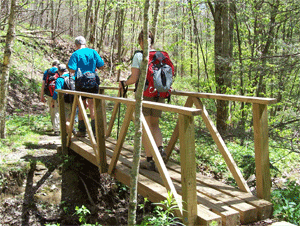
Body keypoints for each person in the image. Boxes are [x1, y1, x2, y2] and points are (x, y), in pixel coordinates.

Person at [119, 30, 169, 171]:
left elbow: (134, 79)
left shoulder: (139, 56)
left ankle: (149, 160)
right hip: (160, 94)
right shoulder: (161, 55)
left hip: (146, 94)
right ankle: (160, 149)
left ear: (141, 41)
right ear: (152, 40)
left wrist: (124, 83)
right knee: (155, 125)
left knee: (146, 128)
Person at [68, 36, 104, 137]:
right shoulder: (93, 52)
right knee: (92, 105)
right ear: (85, 43)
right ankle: (95, 132)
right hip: (93, 82)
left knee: (82, 105)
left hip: (81, 82)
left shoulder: (75, 54)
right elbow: (101, 65)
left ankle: (82, 131)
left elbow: (72, 69)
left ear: (76, 45)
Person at [52, 64, 76, 136]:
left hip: (64, 101)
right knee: (71, 118)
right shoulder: (74, 78)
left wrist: (53, 100)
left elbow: (57, 91)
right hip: (75, 101)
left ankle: (70, 132)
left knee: (64, 120)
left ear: (59, 71)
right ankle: (70, 134)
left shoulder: (60, 79)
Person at [40, 60, 60, 136]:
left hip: (49, 94)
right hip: (58, 93)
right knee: (58, 110)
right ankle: (58, 128)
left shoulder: (47, 72)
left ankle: (55, 128)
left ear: (52, 65)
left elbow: (43, 84)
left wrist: (41, 95)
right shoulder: (59, 71)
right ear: (58, 65)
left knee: (52, 111)